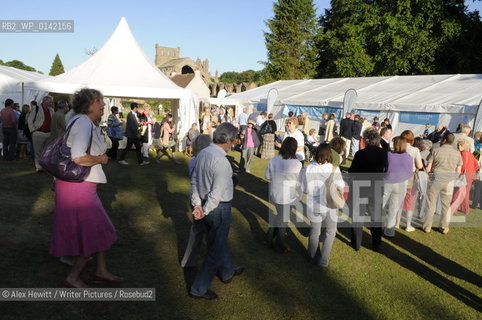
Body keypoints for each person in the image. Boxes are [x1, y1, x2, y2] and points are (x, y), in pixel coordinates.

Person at [50, 88, 122, 288]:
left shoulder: (80, 121)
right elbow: (79, 157)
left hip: (79, 186)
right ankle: (73, 277)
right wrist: (100, 159)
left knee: (99, 229)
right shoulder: (82, 123)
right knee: (94, 231)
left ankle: (101, 270)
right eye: (99, 101)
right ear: (89, 104)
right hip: (78, 187)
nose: (103, 104)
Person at [189, 122, 244, 300]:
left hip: (208, 205)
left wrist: (198, 205)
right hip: (217, 208)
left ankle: (227, 272)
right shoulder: (222, 161)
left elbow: (195, 181)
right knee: (215, 249)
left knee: (218, 243)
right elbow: (217, 193)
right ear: (227, 140)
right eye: (234, 140)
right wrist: (202, 209)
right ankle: (198, 289)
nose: (234, 144)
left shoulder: (204, 152)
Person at [301, 143, 344, 267]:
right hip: (329, 205)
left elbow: (304, 188)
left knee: (315, 232)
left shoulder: (309, 168)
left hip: (313, 204)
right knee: (330, 232)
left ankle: (312, 257)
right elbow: (341, 186)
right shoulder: (333, 168)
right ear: (329, 155)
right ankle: (323, 260)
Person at [349, 128, 388, 251]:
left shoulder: (360, 154)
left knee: (357, 215)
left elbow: (352, 171)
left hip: (360, 186)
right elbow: (386, 170)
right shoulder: (383, 153)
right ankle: (376, 243)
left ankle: (356, 243)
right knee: (376, 216)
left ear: (365, 140)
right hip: (376, 186)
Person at [264, 137, 302, 253]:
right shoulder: (297, 163)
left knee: (279, 216)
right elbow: (299, 182)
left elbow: (267, 176)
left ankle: (268, 238)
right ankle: (280, 244)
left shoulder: (274, 159)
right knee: (282, 221)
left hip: (275, 193)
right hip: (287, 195)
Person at [181, 134, 213, 268]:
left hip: (195, 196)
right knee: (212, 232)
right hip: (203, 197)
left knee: (197, 230)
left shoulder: (193, 159)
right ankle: (216, 263)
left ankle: (188, 261)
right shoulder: (204, 160)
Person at [423, 132, 462, 234]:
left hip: (435, 178)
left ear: (444, 140)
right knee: (446, 205)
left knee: (431, 203)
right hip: (449, 181)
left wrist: (430, 178)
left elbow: (428, 168)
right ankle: (444, 227)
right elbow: (458, 171)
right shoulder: (457, 153)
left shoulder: (435, 151)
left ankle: (428, 226)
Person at [382, 137, 413, 237]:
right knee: (393, 208)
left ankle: (379, 226)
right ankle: (389, 231)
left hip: (388, 182)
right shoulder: (408, 157)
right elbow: (409, 173)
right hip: (401, 184)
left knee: (382, 205)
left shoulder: (389, 155)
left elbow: (384, 168)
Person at [399, 130, 424, 231]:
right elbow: (420, 165)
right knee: (409, 200)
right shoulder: (415, 150)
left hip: (398, 175)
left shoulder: (399, 148)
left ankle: (396, 223)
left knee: (398, 199)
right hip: (410, 175)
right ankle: (408, 224)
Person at [451, 139, 479, 214]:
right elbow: (477, 165)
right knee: (465, 193)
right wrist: (473, 171)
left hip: (464, 175)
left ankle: (454, 209)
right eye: (458, 144)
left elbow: (462, 165)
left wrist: (459, 173)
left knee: (458, 192)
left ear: (464, 146)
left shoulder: (463, 153)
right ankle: (465, 209)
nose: (458, 146)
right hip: (470, 175)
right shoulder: (470, 154)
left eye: (460, 145)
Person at [27, 95, 54, 170]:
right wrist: (32, 130)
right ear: (45, 101)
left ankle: (44, 165)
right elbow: (30, 120)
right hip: (38, 133)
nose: (51, 103)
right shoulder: (37, 108)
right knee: (38, 151)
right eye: (50, 101)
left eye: (51, 101)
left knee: (46, 151)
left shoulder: (51, 110)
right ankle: (39, 167)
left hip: (48, 133)